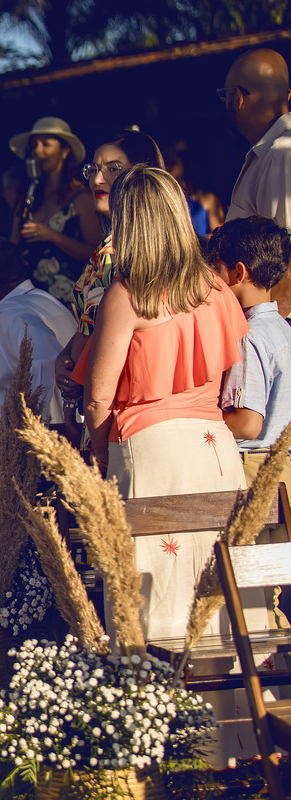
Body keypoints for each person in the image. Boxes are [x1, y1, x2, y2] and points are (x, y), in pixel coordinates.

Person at [75, 165, 251, 639]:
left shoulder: (128, 295)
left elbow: (97, 399)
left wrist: (101, 456)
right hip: (214, 450)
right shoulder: (215, 288)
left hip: (149, 449)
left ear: (127, 224)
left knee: (152, 597)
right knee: (218, 587)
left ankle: (153, 685)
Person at [55, 129, 165, 435]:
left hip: (114, 405)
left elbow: (106, 325)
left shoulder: (120, 250)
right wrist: (67, 354)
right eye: (93, 169)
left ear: (143, 174)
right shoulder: (132, 242)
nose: (97, 180)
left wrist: (75, 374)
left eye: (113, 169)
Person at [0, 236, 75, 437]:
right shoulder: (43, 300)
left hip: (7, 442)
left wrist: (42, 435)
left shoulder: (13, 314)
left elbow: (48, 364)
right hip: (4, 436)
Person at [211, 216, 291, 485]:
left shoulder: (249, 336)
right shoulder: (282, 328)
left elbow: (247, 424)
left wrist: (200, 418)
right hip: (281, 465)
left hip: (254, 469)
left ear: (238, 273)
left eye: (216, 269)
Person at [221, 49, 291, 315]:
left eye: (225, 96)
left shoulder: (281, 153)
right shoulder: (271, 152)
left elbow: (286, 261)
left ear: (237, 98)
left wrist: (273, 332)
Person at [8, 117, 100, 304]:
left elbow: (96, 253)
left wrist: (53, 236)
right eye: (34, 145)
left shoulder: (80, 198)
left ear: (65, 150)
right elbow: (12, 248)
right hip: (28, 299)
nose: (37, 151)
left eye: (46, 144)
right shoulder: (29, 196)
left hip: (66, 302)